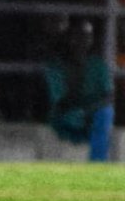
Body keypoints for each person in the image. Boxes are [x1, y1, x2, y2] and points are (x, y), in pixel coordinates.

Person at [44, 18, 114, 162]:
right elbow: (57, 100)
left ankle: (98, 164)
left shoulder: (98, 65)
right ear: (69, 38)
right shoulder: (56, 65)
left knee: (105, 113)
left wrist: (86, 111)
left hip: (90, 115)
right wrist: (73, 112)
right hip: (64, 115)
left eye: (87, 37)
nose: (82, 41)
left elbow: (108, 96)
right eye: (78, 36)